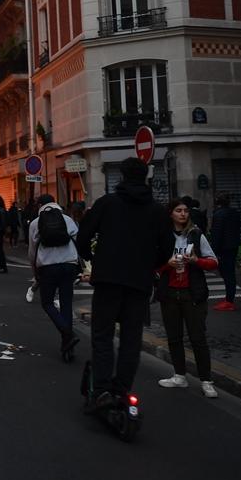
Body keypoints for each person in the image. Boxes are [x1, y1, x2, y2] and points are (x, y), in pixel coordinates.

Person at [76, 157, 174, 399]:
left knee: (102, 336)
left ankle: (101, 390)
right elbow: (167, 248)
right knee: (131, 340)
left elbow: (83, 236)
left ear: (122, 176)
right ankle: (121, 389)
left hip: (108, 278)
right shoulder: (157, 210)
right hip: (139, 282)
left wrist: (93, 258)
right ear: (146, 176)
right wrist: (149, 265)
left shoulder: (107, 203)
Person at [155, 199, 219, 397]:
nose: (183, 214)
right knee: (174, 337)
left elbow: (214, 262)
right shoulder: (163, 236)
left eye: (185, 211)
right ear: (170, 214)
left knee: (197, 337)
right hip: (170, 292)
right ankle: (179, 375)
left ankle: (206, 380)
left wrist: (196, 260)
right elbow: (155, 266)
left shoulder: (196, 234)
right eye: (178, 210)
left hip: (192, 292)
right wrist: (168, 265)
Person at [28, 193, 80, 361]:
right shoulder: (68, 220)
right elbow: (77, 240)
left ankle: (67, 333)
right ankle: (68, 348)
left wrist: (34, 269)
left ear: (40, 206)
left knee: (47, 302)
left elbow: (32, 250)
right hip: (69, 265)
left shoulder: (36, 223)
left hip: (48, 267)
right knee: (66, 303)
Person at [210, 193, 241, 311]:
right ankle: (229, 298)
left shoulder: (218, 215)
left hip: (223, 247)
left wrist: (213, 250)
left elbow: (216, 233)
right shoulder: (235, 213)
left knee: (226, 273)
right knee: (230, 272)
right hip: (233, 245)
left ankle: (229, 301)